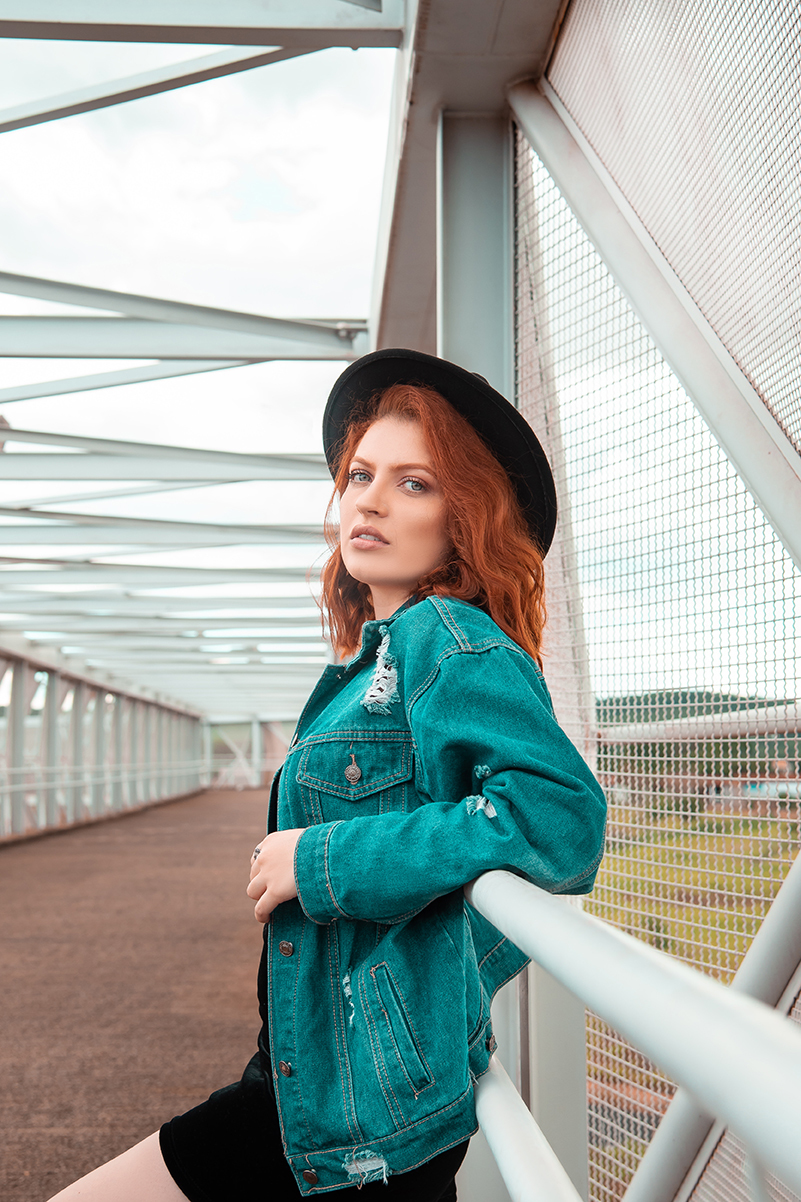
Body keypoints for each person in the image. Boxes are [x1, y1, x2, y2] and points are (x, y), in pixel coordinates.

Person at [48, 349, 606, 1201]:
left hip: (360, 1108)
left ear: (465, 518)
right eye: (359, 475)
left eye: (413, 484)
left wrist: (319, 861)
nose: (370, 501)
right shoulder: (368, 665)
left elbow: (557, 820)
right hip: (320, 1076)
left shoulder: (448, 639)